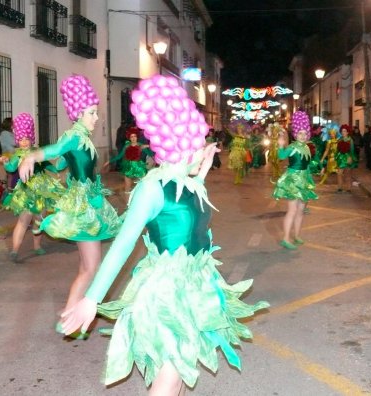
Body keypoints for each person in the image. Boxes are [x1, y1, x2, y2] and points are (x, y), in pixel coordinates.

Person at [60, 75, 269, 395]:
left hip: (195, 285)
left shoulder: (187, 181)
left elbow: (188, 206)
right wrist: (92, 299)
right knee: (171, 373)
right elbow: (123, 245)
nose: (202, 147)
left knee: (181, 371)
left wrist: (201, 170)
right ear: (179, 139)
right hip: (166, 292)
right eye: (197, 141)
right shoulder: (151, 188)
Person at [19, 75, 120, 325]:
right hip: (83, 209)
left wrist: (61, 164)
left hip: (89, 204)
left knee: (87, 267)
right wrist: (31, 157)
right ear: (79, 112)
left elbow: (65, 160)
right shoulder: (74, 135)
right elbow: (54, 149)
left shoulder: (81, 138)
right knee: (90, 269)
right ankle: (68, 318)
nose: (97, 118)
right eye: (92, 112)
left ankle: (70, 313)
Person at [0, 113, 65, 263]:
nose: (24, 142)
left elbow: (46, 163)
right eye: (21, 139)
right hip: (27, 191)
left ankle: (37, 246)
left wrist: (56, 172)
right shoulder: (16, 154)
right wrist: (6, 162)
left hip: (42, 190)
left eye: (26, 139)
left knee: (39, 219)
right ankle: (15, 250)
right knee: (23, 220)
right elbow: (10, 168)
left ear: (30, 137)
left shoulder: (36, 151)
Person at [273, 110, 318, 249]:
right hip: (292, 180)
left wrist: (310, 179)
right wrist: (281, 144)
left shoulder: (307, 147)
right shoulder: (292, 147)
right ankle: (286, 238)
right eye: (300, 133)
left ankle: (297, 235)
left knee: (300, 211)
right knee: (292, 210)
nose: (303, 136)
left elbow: (307, 164)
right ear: (296, 133)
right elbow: (281, 156)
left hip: (304, 179)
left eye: (305, 133)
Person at [103, 127, 151, 194]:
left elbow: (150, 154)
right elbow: (119, 156)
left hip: (138, 167)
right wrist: (108, 162)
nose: (133, 138)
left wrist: (149, 146)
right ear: (129, 138)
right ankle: (128, 202)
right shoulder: (127, 146)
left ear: (137, 137)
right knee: (127, 189)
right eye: (131, 137)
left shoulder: (141, 146)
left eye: (135, 136)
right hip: (128, 167)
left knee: (144, 185)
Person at [335, 124, 358, 193]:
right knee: (339, 173)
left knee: (348, 174)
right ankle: (339, 187)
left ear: (348, 132)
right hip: (341, 159)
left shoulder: (350, 140)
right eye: (342, 131)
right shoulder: (339, 139)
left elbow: (352, 150)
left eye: (344, 131)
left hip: (348, 157)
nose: (343, 132)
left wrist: (350, 158)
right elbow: (337, 150)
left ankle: (349, 188)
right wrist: (336, 157)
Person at [319, 122, 341, 189]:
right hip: (331, 158)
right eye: (330, 134)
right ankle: (322, 180)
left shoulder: (339, 141)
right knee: (329, 171)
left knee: (339, 171)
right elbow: (326, 151)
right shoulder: (329, 142)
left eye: (333, 133)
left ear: (335, 133)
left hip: (338, 158)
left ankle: (340, 183)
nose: (332, 135)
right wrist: (322, 158)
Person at [0, 117, 18, 190]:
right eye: (13, 123)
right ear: (9, 124)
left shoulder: (10, 133)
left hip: (11, 155)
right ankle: (10, 190)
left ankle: (10, 189)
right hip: (8, 155)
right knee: (11, 174)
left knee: (11, 175)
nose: (14, 124)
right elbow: (14, 142)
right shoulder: (4, 134)